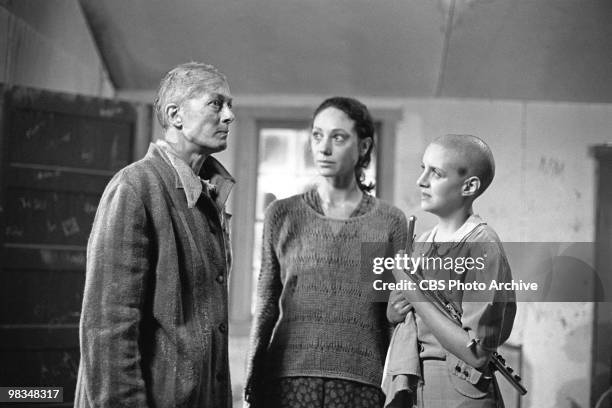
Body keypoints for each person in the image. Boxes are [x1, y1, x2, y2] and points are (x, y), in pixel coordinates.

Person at [75, 62, 236, 408]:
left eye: (230, 106)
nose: (229, 116)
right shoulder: (135, 187)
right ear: (175, 114)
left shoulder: (209, 195)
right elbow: (108, 332)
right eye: (216, 103)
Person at [245, 96, 407, 408]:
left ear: (363, 147)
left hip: (364, 382)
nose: (324, 147)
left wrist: (401, 388)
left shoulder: (388, 222)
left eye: (338, 137)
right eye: (317, 135)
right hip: (288, 380)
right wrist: (252, 378)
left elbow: (394, 315)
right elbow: (266, 304)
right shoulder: (283, 214)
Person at [387, 134, 516, 408]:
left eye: (435, 172)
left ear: (469, 186)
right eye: (423, 168)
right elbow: (397, 316)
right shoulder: (420, 243)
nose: (421, 180)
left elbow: (478, 353)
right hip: (416, 383)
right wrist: (396, 308)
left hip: (460, 390)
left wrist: (413, 293)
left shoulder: (482, 247)